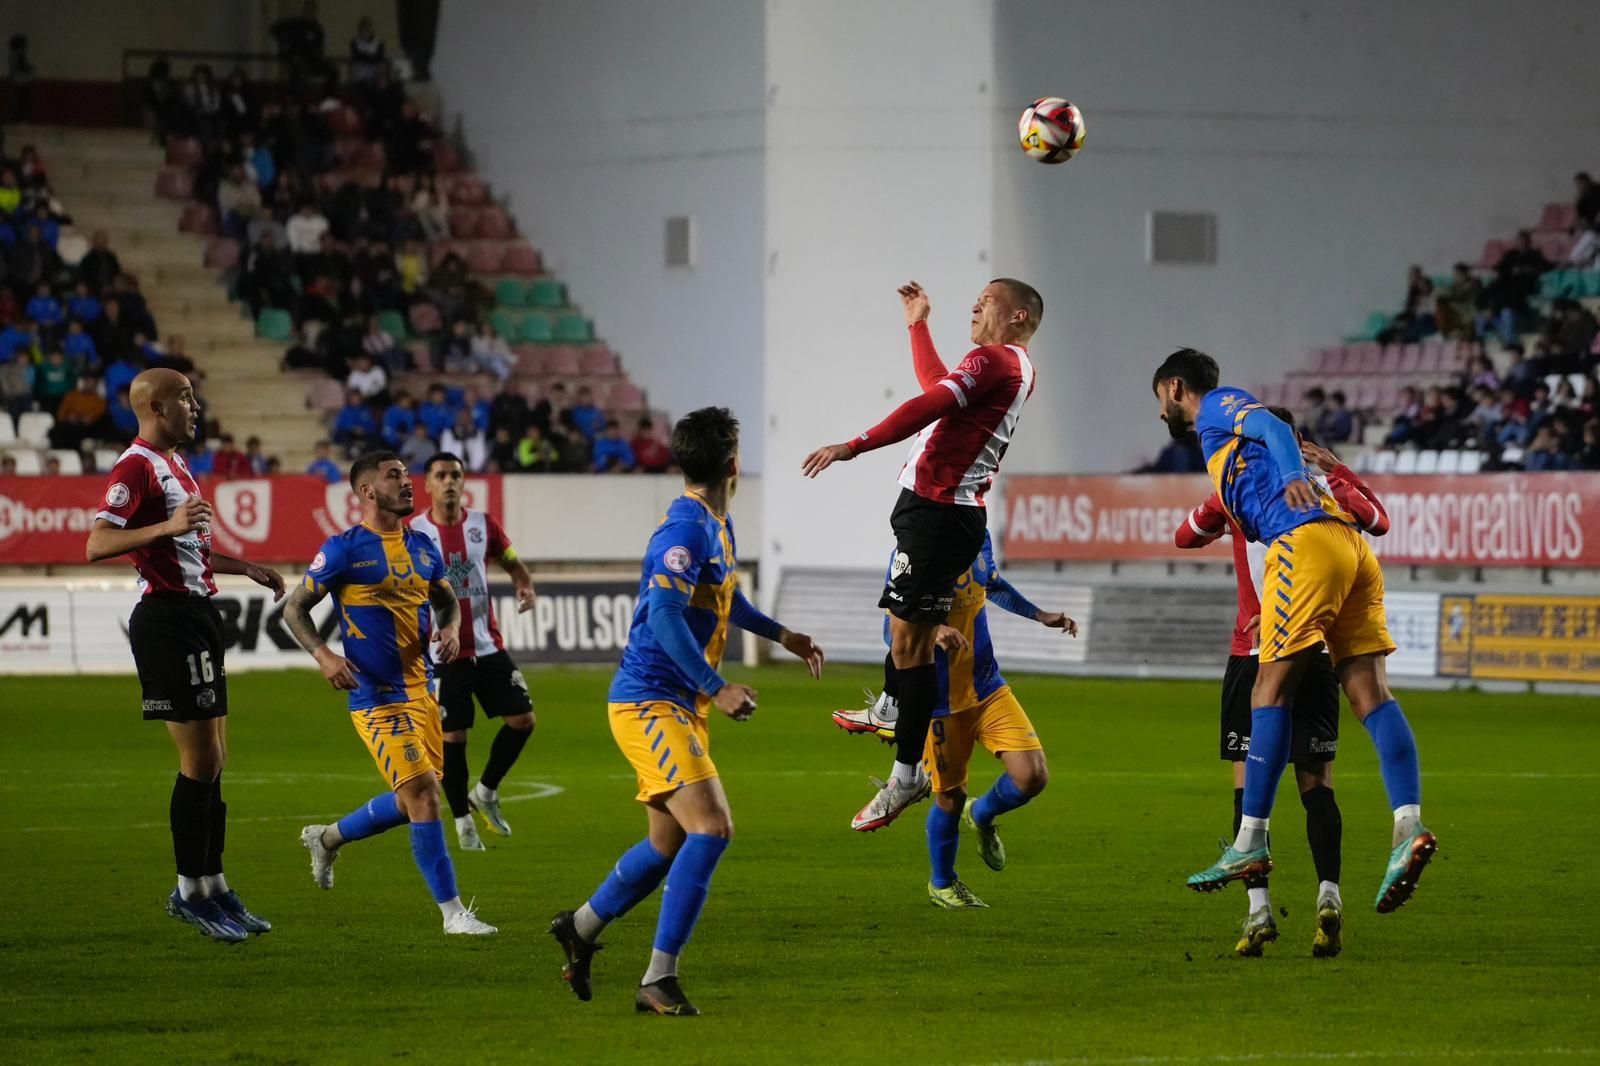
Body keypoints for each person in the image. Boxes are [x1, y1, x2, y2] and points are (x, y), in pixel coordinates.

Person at [548, 407, 825, 1016]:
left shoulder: (713, 524)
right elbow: (668, 616)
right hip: (651, 701)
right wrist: (717, 685)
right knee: (714, 827)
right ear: (733, 462)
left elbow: (726, 597)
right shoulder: (684, 531)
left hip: (676, 703)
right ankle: (657, 979)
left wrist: (784, 635)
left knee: (666, 844)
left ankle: (582, 928)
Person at [1151, 348, 1436, 924]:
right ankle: (1408, 824)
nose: (1162, 411)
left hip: (1303, 547)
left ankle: (1250, 839)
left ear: (1176, 387)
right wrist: (1302, 472)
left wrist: (1286, 477)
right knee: (1371, 696)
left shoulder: (1217, 409)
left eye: (1161, 398)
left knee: (1268, 692)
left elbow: (1271, 424)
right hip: (1351, 549)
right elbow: (1373, 517)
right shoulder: (1251, 459)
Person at [801, 279, 1041, 832]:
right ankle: (891, 707)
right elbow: (940, 386)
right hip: (937, 514)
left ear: (1018, 314)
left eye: (988, 298)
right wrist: (918, 322)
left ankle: (906, 771)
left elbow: (927, 403)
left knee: (909, 644)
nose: (976, 304)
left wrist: (852, 445)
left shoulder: (997, 361)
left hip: (939, 515)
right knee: (903, 630)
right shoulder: (1007, 368)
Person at [1175, 418, 1391, 957]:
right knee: (1317, 783)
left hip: (1255, 652)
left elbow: (1185, 536)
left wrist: (1216, 504)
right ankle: (1330, 897)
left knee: (1247, 786)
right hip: (1317, 651)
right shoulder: (1325, 493)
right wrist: (1337, 468)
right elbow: (1377, 519)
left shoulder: (1236, 488)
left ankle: (1258, 914)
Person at [84, 367, 285, 942]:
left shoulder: (175, 466)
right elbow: (97, 541)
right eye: (187, 398)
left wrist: (243, 565)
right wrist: (166, 525)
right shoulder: (136, 465)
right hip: (167, 621)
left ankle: (215, 883)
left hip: (198, 615)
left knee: (216, 758)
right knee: (198, 762)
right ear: (154, 404)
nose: (196, 407)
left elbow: (187, 545)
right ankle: (189, 890)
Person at [281, 451, 496, 936]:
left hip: (422, 691)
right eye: (393, 476)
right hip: (374, 696)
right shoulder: (342, 550)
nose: (407, 483)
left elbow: (444, 599)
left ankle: (329, 837)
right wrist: (326, 657)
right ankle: (453, 914)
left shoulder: (422, 546)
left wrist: (453, 628)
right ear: (366, 491)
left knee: (412, 801)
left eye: (405, 474)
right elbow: (295, 609)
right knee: (423, 796)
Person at [832, 532, 1075, 908]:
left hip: (988, 686)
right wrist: (933, 630)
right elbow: (890, 630)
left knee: (1032, 776)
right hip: (940, 702)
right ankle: (943, 884)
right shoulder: (912, 550)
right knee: (949, 796)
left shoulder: (978, 534)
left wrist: (1039, 614)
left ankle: (980, 815)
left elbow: (991, 583)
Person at [408, 454, 538, 851]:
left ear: (464, 483)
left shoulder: (483, 525)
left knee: (523, 720)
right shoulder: (413, 530)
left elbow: (511, 559)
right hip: (443, 653)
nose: (449, 481)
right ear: (428, 485)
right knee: (453, 738)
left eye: (456, 475)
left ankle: (485, 791)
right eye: (441, 475)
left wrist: (524, 584)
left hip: (487, 645)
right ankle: (463, 821)